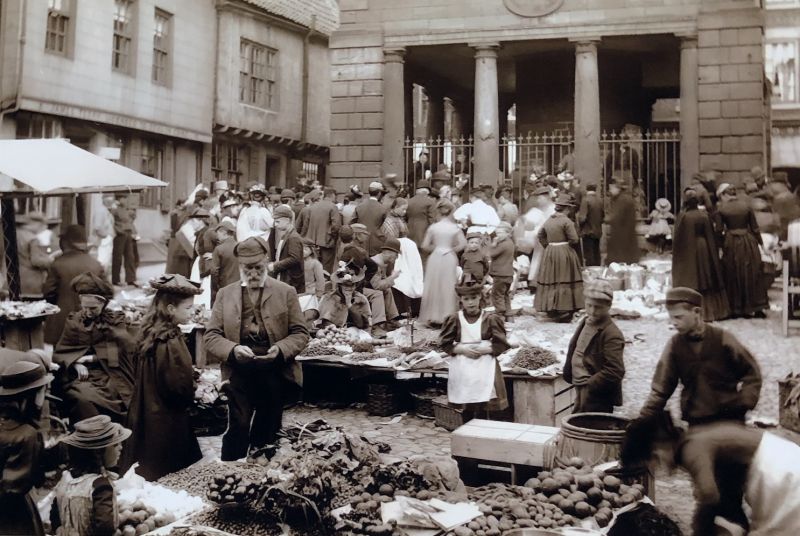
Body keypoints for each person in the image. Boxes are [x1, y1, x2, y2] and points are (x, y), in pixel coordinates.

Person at [204, 238, 309, 461]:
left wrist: (280, 349)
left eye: (258, 268)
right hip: (238, 369)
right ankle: (230, 471)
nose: (252, 273)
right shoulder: (226, 294)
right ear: (240, 267)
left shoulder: (286, 292)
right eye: (247, 268)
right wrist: (232, 350)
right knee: (239, 424)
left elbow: (301, 333)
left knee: (268, 425)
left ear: (267, 262)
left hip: (274, 369)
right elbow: (211, 336)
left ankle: (262, 473)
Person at [621, 413, 800, 535]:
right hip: (781, 461)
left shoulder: (692, 448)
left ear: (658, 449)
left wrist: (700, 529)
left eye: (657, 463)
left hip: (779, 473)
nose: (662, 469)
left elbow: (709, 494)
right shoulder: (694, 439)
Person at [640, 286, 761, 424]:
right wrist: (643, 418)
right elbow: (660, 389)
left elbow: (752, 372)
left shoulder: (722, 339)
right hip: (696, 420)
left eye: (679, 317)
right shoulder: (675, 345)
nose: (674, 323)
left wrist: (746, 401)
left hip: (730, 418)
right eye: (671, 317)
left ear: (696, 312)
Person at [122, 274, 202, 480]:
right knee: (168, 465)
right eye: (188, 308)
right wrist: (191, 391)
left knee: (148, 460)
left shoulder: (150, 331)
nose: (192, 312)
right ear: (170, 309)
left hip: (147, 405)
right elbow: (177, 385)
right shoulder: (170, 340)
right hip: (166, 415)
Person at [53, 273, 135, 424]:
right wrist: (76, 363)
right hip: (80, 373)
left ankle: (114, 434)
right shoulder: (74, 321)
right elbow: (61, 352)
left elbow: (123, 350)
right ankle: (91, 435)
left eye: (93, 308)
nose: (88, 312)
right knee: (81, 397)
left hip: (111, 371)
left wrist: (90, 358)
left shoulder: (114, 320)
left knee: (118, 395)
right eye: (85, 308)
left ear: (104, 304)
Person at [439, 273, 509, 419]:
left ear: (480, 298)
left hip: (485, 364)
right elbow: (445, 343)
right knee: (467, 402)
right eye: (466, 299)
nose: (470, 303)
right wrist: (462, 349)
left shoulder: (490, 318)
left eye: (473, 298)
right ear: (461, 301)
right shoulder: (454, 319)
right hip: (463, 365)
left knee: (486, 402)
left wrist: (487, 349)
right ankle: (468, 428)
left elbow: (501, 343)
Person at [51, 416, 132, 536]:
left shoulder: (65, 478)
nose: (121, 448)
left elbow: (54, 516)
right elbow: (106, 527)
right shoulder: (101, 485)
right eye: (115, 445)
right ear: (99, 452)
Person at [0, 361, 52, 536]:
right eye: (43, 390)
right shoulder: (26, 434)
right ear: (33, 395)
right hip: (12, 518)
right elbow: (14, 488)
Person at [563, 280, 625, 413]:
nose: (592, 311)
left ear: (608, 306)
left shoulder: (612, 334)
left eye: (598, 307)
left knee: (591, 427)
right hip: (580, 386)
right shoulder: (586, 322)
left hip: (596, 393)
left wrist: (590, 385)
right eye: (589, 305)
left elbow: (615, 371)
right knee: (578, 422)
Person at [672, 188, 730, 321]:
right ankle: (709, 312)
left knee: (692, 278)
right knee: (705, 277)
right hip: (703, 248)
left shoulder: (683, 216)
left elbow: (678, 238)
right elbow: (711, 235)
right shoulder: (704, 216)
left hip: (689, 249)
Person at [43, 225, 105, 345]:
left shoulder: (58, 264)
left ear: (66, 242)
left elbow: (49, 292)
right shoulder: (96, 265)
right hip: (89, 322)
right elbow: (107, 293)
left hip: (61, 321)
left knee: (59, 359)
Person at [716, 184, 768, 318]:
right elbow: (755, 228)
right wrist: (761, 244)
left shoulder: (722, 209)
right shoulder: (746, 206)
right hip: (748, 241)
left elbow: (719, 231)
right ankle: (757, 307)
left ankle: (735, 308)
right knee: (753, 272)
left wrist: (720, 246)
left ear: (726, 194)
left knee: (732, 273)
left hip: (731, 242)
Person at [534, 194, 584, 322]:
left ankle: (550, 307)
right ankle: (565, 307)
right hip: (563, 251)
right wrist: (567, 246)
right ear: (567, 208)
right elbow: (574, 239)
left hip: (550, 251)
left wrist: (548, 246)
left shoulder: (549, 220)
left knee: (551, 278)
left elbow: (540, 235)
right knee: (564, 277)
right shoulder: (567, 221)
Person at [419, 200, 467, 327]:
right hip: (449, 257)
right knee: (448, 286)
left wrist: (436, 249)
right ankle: (447, 316)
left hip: (435, 257)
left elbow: (424, 245)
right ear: (451, 211)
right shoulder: (454, 228)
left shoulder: (433, 227)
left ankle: (433, 316)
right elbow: (463, 244)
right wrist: (451, 249)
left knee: (434, 285)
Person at [319, 255, 373, 330]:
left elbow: (362, 324)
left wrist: (349, 304)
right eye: (345, 285)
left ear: (356, 285)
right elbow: (324, 321)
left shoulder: (361, 299)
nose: (348, 288)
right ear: (340, 285)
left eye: (351, 286)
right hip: (336, 333)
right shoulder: (329, 297)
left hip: (356, 332)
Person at [519, 186, 556, 291]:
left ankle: (545, 283)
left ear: (546, 198)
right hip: (539, 242)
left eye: (540, 198)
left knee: (545, 263)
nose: (538, 201)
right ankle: (537, 283)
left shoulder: (553, 210)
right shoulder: (540, 210)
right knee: (537, 262)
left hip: (549, 242)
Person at [300, 187, 340, 273]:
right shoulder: (333, 207)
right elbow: (336, 226)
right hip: (327, 242)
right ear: (332, 195)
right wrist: (333, 237)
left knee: (313, 267)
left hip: (312, 241)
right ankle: (324, 285)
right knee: (326, 268)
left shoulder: (312, 207)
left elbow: (305, 225)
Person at [367, 238, 402, 331]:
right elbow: (377, 286)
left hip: (370, 287)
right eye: (396, 254)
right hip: (361, 289)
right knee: (378, 293)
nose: (397, 257)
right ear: (389, 253)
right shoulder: (375, 263)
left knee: (388, 290)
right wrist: (392, 277)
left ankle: (391, 320)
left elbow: (382, 282)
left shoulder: (383, 262)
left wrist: (389, 279)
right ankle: (378, 324)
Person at [268, 205, 305, 294]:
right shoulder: (287, 235)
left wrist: (275, 266)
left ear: (287, 220)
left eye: (277, 221)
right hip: (288, 278)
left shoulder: (293, 238)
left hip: (291, 280)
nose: (275, 224)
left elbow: (294, 258)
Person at [17, 211, 53, 298]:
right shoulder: (32, 239)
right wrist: (51, 260)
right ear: (37, 224)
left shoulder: (15, 233)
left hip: (13, 278)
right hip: (30, 280)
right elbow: (36, 261)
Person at [605, 181, 640, 265]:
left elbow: (616, 217)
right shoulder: (626, 198)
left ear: (617, 188)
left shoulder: (621, 200)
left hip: (621, 234)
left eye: (611, 188)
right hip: (627, 233)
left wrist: (607, 219)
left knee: (620, 259)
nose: (610, 190)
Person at [353, 181, 389, 256]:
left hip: (361, 242)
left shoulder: (359, 206)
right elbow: (386, 227)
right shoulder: (383, 208)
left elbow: (353, 223)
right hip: (377, 243)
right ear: (379, 193)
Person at [488, 222, 515, 319]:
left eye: (500, 233)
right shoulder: (510, 243)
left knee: (497, 294)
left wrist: (493, 244)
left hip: (500, 274)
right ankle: (509, 315)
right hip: (508, 273)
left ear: (508, 233)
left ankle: (500, 314)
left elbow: (491, 253)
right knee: (505, 295)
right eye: (497, 233)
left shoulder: (503, 244)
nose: (497, 235)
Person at [210, 220, 240, 305]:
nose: (217, 236)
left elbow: (214, 272)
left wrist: (215, 290)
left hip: (224, 288)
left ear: (223, 233)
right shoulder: (240, 247)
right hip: (239, 287)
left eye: (218, 233)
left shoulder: (219, 249)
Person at [110, 196, 138, 287]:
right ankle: (115, 279)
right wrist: (117, 230)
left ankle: (131, 279)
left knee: (130, 257)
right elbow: (111, 221)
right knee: (117, 257)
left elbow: (132, 219)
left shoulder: (127, 209)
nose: (126, 200)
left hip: (128, 233)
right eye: (124, 198)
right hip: (120, 234)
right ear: (119, 199)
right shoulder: (114, 209)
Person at [577, 184, 604, 266]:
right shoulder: (600, 200)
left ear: (587, 189)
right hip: (597, 231)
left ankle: (591, 274)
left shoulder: (585, 200)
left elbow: (582, 218)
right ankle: (598, 270)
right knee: (596, 253)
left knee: (589, 255)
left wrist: (579, 223)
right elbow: (603, 216)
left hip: (587, 231)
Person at [406, 180, 437, 249]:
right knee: (423, 252)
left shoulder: (409, 201)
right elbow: (432, 220)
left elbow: (405, 217)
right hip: (423, 230)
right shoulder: (430, 202)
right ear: (427, 191)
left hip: (409, 229)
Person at [90, 195, 115, 274]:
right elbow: (97, 227)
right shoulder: (101, 211)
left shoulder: (106, 211)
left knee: (106, 262)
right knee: (102, 262)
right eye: (108, 200)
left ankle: (102, 280)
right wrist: (106, 236)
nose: (111, 201)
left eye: (111, 200)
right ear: (104, 200)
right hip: (103, 241)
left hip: (106, 240)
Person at [301, 241, 325, 322]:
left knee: (308, 317)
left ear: (311, 250)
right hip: (298, 293)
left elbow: (320, 280)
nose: (303, 251)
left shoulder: (315, 263)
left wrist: (319, 295)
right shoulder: (297, 262)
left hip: (310, 294)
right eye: (301, 249)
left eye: (306, 249)